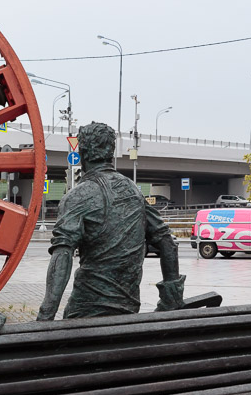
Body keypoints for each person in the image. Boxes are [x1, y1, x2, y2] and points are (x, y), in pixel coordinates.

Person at [38, 121, 185, 320]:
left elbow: (62, 255)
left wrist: (45, 317)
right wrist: (171, 299)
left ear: (83, 153)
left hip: (85, 311)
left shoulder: (77, 196)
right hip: (127, 308)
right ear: (111, 152)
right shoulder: (133, 191)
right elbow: (167, 243)